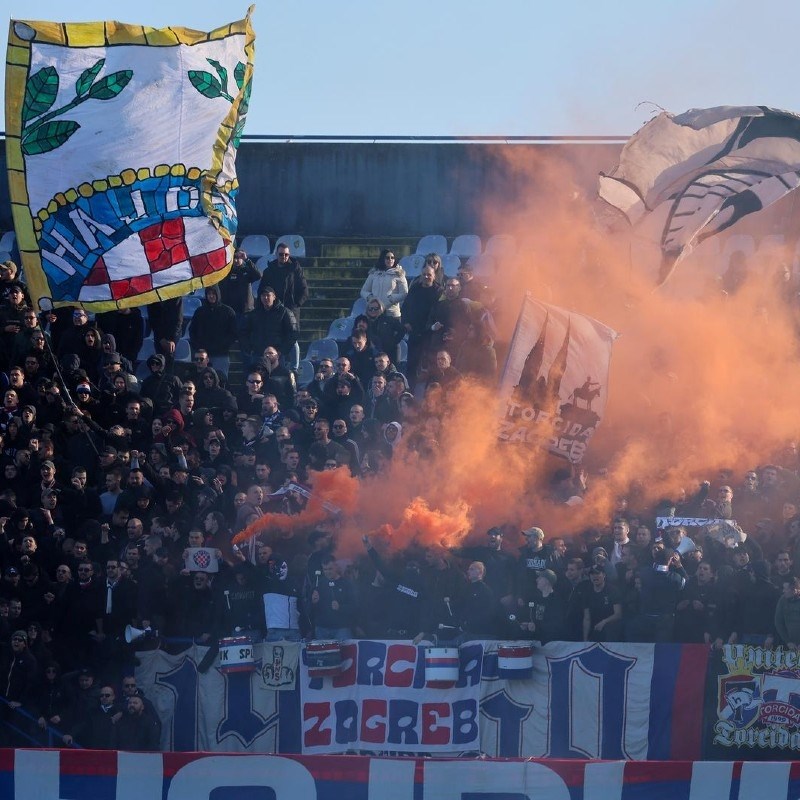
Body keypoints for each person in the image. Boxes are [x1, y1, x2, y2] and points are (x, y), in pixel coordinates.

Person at [188, 286, 237, 377]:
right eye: (209, 294)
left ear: (218, 295)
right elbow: (192, 331)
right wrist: (199, 348)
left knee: (221, 381)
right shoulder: (200, 312)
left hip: (221, 355)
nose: (211, 296)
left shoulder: (228, 312)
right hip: (202, 356)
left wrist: (223, 345)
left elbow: (233, 334)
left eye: (213, 294)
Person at [359, 249, 408, 319]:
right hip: (375, 313)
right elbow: (363, 291)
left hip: (392, 314)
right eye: (387, 258)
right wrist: (371, 298)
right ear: (382, 259)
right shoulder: (374, 273)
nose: (390, 260)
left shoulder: (399, 274)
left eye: (392, 258)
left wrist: (391, 299)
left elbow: (404, 293)